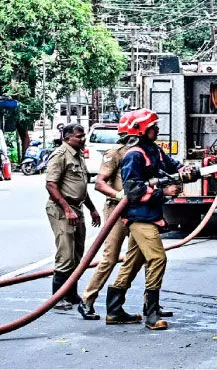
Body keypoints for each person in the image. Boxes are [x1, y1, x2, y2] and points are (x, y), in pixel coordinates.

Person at [107, 108, 184, 330]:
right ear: (141, 130)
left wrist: (188, 170)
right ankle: (151, 314)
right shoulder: (134, 155)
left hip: (151, 214)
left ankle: (114, 310)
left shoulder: (154, 151)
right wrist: (164, 192)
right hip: (140, 217)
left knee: (133, 262)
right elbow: (132, 190)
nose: (157, 129)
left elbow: (172, 165)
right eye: (153, 127)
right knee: (158, 258)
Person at [76, 112, 143, 323]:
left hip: (139, 211)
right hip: (117, 210)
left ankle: (123, 306)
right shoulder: (115, 153)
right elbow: (99, 183)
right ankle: (87, 300)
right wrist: (118, 195)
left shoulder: (144, 153)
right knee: (110, 257)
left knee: (141, 256)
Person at [45, 123, 101, 310]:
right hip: (62, 209)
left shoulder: (77, 155)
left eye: (83, 135)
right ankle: (57, 298)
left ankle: (70, 293)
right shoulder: (61, 155)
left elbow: (80, 188)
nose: (83, 138)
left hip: (77, 208)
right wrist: (67, 209)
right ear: (67, 137)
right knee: (66, 254)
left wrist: (92, 209)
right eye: (78, 136)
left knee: (77, 255)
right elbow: (51, 185)